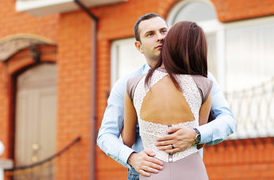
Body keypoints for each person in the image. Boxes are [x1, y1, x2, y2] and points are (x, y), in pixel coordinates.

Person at [97, 13, 236, 180]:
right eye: (150, 34)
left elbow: (228, 121)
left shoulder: (203, 78)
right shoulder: (127, 83)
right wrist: (131, 157)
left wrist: (196, 133)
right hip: (142, 172)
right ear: (139, 47)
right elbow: (105, 135)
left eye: (164, 31)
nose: (160, 38)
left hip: (189, 170)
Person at [122, 21, 212, 179]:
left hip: (152, 171)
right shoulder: (204, 85)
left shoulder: (133, 84)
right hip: (193, 171)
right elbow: (199, 141)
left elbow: (127, 139)